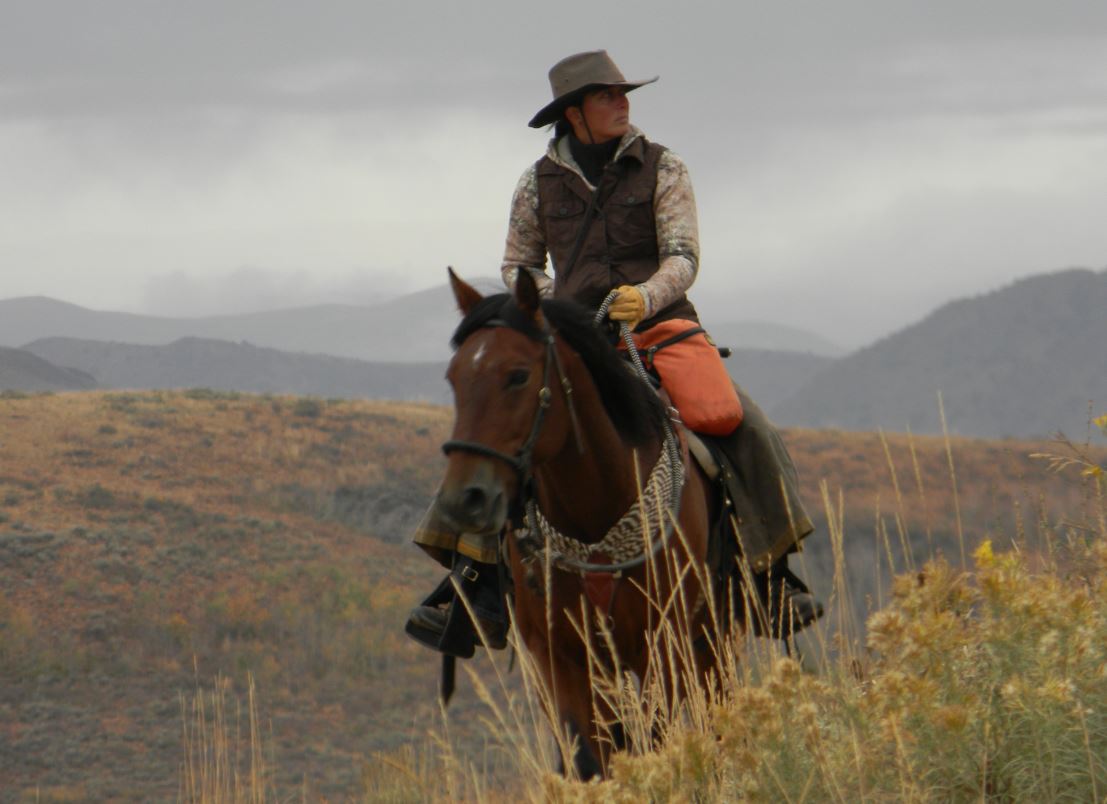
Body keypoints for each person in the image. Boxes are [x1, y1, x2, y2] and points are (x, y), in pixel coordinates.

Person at [407, 50, 822, 655]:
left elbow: (684, 256)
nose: (623, 102)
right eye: (607, 95)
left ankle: (769, 577)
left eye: (623, 93)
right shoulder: (534, 183)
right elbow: (519, 266)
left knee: (737, 421)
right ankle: (474, 584)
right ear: (574, 113)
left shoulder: (665, 167)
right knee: (500, 428)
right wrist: (559, 310)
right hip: (572, 336)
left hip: (662, 326)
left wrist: (644, 296)